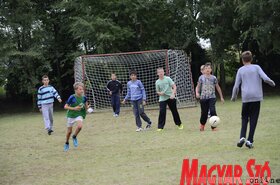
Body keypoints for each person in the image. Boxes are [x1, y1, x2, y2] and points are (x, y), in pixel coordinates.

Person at [231, 51, 275, 149]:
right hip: (256, 96)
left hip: (246, 98)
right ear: (251, 59)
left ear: (242, 60)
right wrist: (272, 83)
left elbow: (236, 86)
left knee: (244, 117)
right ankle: (250, 140)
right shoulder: (257, 67)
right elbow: (265, 78)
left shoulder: (241, 70)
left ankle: (242, 136)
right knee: (254, 119)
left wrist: (233, 97)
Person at [195, 63, 224, 131]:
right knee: (204, 113)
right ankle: (202, 125)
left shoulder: (214, 78)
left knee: (212, 111)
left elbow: (218, 87)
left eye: (209, 68)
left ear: (211, 70)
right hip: (203, 98)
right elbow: (198, 86)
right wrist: (197, 93)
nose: (207, 69)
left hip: (212, 97)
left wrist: (221, 97)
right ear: (204, 70)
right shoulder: (201, 78)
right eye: (206, 68)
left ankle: (214, 127)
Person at [64, 82, 89, 152]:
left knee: (80, 126)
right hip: (71, 115)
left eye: (82, 89)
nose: (82, 90)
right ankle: (67, 142)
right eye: (80, 89)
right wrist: (74, 108)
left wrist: (87, 109)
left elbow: (86, 105)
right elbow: (65, 106)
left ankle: (74, 136)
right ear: (76, 90)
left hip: (79, 114)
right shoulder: (72, 97)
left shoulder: (84, 97)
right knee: (69, 132)